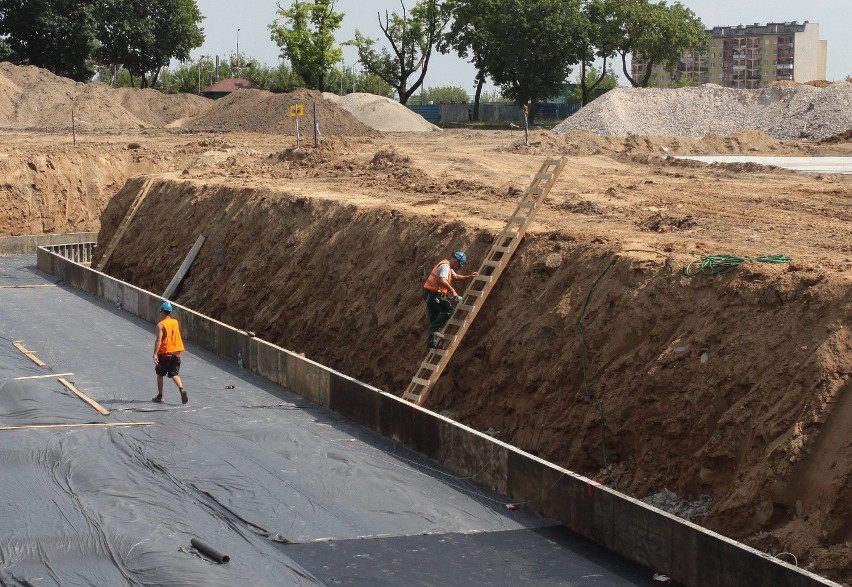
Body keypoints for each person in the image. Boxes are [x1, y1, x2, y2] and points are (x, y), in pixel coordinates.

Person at [422, 251, 478, 348]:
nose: (458, 268)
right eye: (459, 266)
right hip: (432, 294)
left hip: (432, 294)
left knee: (434, 317)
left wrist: (468, 277)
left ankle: (431, 342)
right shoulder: (445, 267)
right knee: (449, 310)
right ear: (456, 262)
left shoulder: (448, 266)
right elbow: (442, 280)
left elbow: (455, 276)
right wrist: (453, 291)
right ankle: (433, 329)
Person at [152, 301, 188, 404]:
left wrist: (155, 354)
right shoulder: (175, 322)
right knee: (174, 374)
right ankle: (181, 389)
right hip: (176, 353)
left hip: (165, 353)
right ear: (170, 313)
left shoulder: (161, 325)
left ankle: (160, 396)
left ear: (162, 312)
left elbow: (159, 340)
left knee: (160, 374)